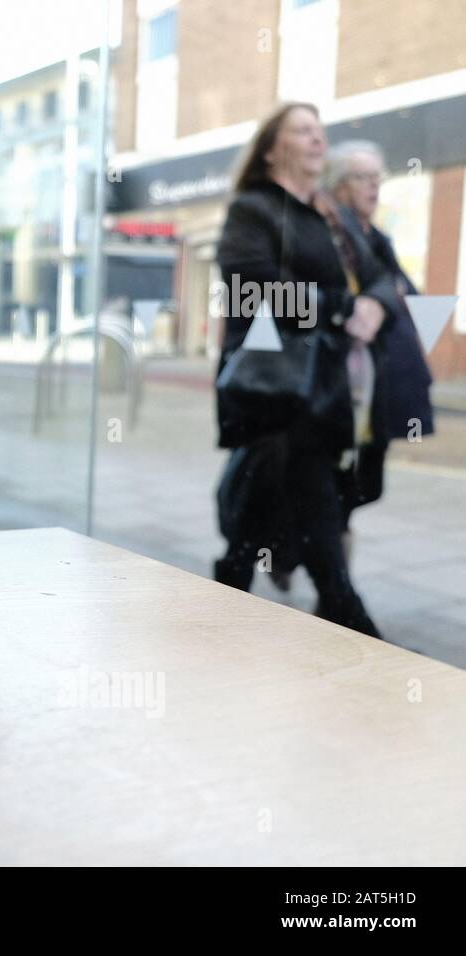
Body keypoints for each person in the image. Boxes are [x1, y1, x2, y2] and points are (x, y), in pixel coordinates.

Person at [212, 102, 399, 639]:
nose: (318, 140)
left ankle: (233, 586)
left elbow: (381, 274)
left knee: (270, 494)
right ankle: (347, 612)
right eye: (302, 131)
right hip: (274, 383)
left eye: (320, 131)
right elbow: (255, 289)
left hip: (324, 385)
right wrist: (343, 306)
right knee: (308, 496)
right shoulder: (255, 209)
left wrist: (377, 305)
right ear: (273, 149)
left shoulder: (328, 214)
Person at [325, 141, 435, 441]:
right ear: (339, 185)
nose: (374, 185)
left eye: (378, 177)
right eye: (363, 177)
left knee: (368, 481)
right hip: (352, 385)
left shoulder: (378, 239)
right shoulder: (333, 234)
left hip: (381, 387)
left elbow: (410, 299)